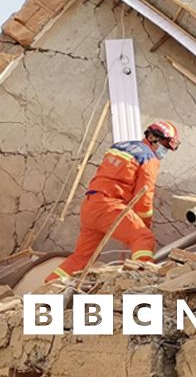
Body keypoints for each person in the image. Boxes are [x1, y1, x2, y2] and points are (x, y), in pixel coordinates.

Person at [46, 121, 180, 282]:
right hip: (109, 206)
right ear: (153, 138)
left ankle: (46, 288)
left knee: (82, 257)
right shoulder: (149, 158)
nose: (167, 149)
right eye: (167, 144)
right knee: (143, 238)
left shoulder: (120, 146)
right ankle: (143, 281)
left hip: (91, 205)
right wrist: (143, 224)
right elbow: (144, 197)